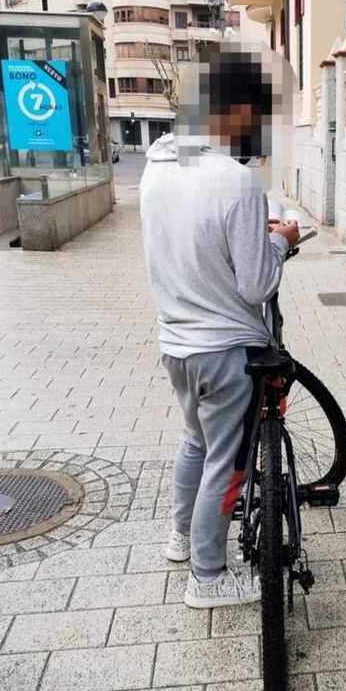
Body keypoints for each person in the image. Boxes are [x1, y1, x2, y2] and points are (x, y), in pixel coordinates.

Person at [140, 44, 300, 609]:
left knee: (193, 441)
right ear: (234, 109)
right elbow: (257, 285)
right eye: (257, 115)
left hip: (175, 345)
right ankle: (207, 577)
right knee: (227, 465)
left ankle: (180, 539)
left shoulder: (156, 167)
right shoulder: (235, 181)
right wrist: (282, 240)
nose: (257, 129)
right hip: (227, 351)